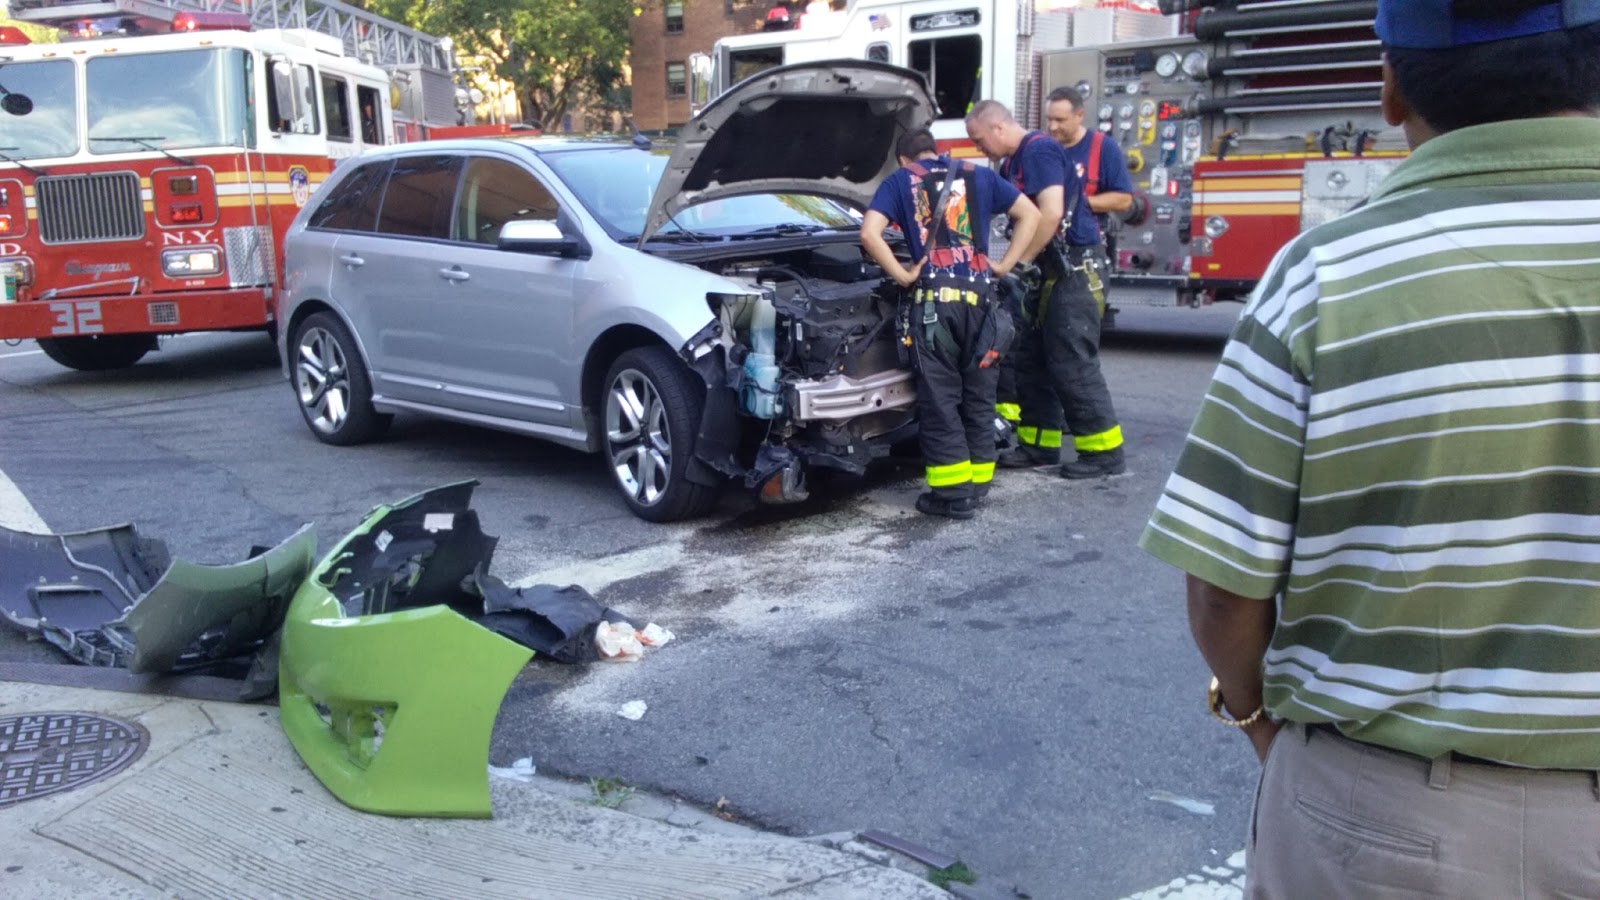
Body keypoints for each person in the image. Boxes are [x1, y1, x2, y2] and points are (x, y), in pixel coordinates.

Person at [1139, 1, 1600, 895]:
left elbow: (1224, 589)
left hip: (1389, 827)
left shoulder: (1326, 276)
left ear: (1391, 86)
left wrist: (1257, 721)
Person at [860, 129, 1040, 519]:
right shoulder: (980, 175)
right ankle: (978, 483)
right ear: (935, 150)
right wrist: (1006, 265)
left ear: (904, 159)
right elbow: (1032, 214)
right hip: (982, 304)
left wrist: (903, 275)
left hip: (934, 308)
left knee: (941, 400)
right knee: (979, 394)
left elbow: (869, 233)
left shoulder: (900, 180)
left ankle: (952, 495)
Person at [965, 100, 1126, 479]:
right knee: (1031, 360)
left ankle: (1104, 453)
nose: (977, 147)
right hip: (1049, 272)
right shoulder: (1012, 162)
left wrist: (1017, 265)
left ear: (999, 128)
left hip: (1074, 270)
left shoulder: (1038, 151)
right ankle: (1039, 446)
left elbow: (1050, 213)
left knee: (1070, 360)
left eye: (978, 138)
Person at [1045, 85, 1134, 328]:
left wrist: (1075, 204)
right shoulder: (1043, 147)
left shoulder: (1103, 148)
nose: (1053, 127)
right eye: (1049, 119)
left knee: (1074, 338)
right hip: (1046, 255)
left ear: (1080, 115)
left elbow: (1124, 200)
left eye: (1060, 120)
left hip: (1085, 257)